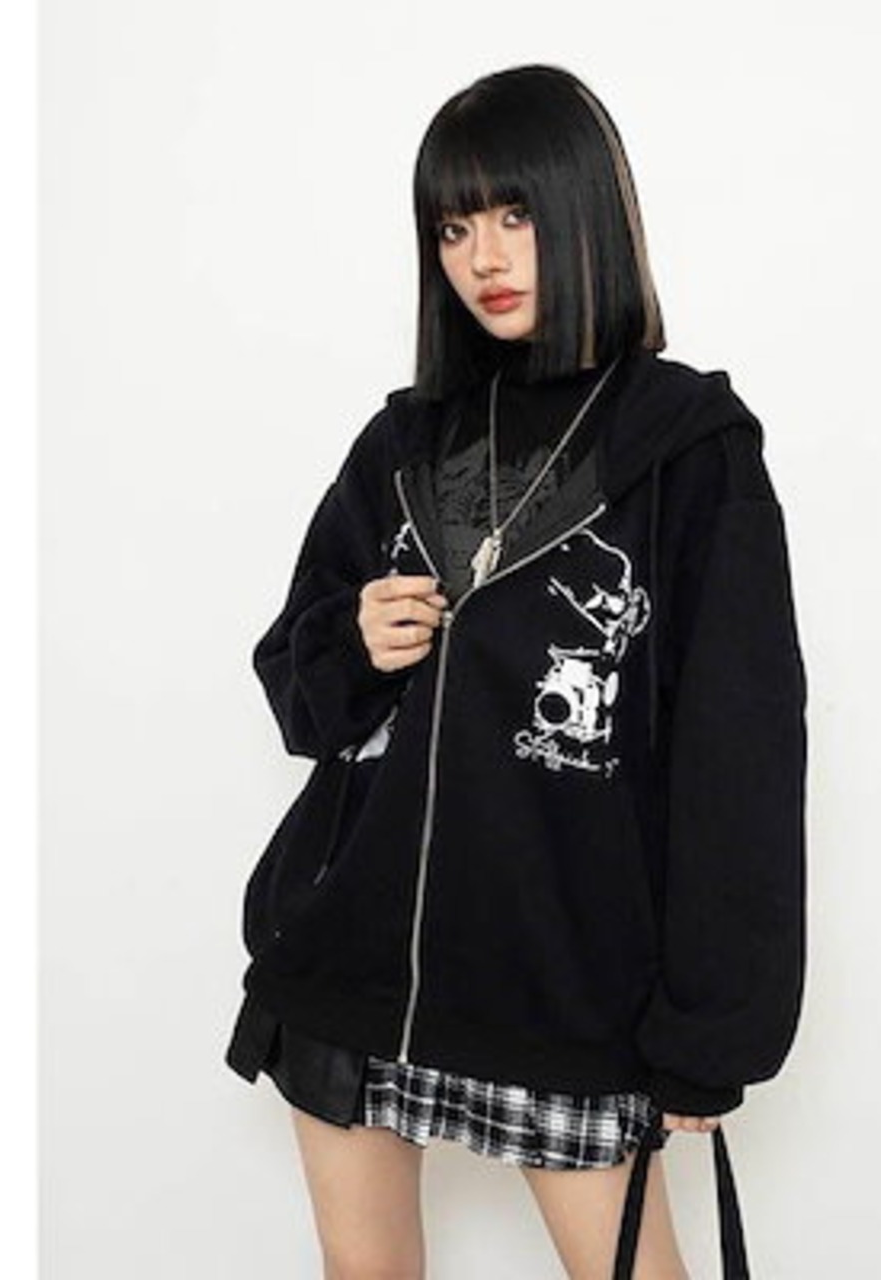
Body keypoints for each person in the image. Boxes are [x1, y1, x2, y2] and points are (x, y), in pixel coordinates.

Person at [225, 63, 808, 1280]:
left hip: (565, 985)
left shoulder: (686, 450)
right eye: (451, 227)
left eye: (512, 213)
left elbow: (739, 754)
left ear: (585, 209)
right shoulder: (404, 440)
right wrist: (354, 641)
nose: (481, 256)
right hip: (352, 968)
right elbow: (295, 684)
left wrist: (711, 1027)